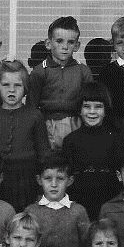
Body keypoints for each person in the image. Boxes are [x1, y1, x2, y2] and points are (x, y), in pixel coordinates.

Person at [0, 60, 50, 211]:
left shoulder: (35, 116)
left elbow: (44, 155)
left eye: (17, 85)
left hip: (27, 179)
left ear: (25, 88)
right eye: (6, 85)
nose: (11, 90)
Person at [27, 16, 94, 151]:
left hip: (76, 123)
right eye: (59, 41)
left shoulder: (83, 71)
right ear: (48, 44)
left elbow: (89, 102)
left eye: (70, 42)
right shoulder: (40, 72)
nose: (65, 47)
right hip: (47, 124)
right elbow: (31, 106)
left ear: (77, 46)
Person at [62, 81, 124, 220]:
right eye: (86, 106)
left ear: (105, 110)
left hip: (110, 206)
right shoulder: (71, 141)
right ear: (79, 109)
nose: (92, 112)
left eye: (98, 107)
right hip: (79, 207)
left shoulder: (116, 139)